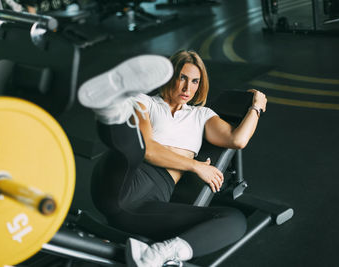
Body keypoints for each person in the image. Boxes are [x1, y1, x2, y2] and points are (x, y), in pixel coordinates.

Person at [78, 51, 267, 267]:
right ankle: (110, 109)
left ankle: (161, 254)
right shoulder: (145, 102)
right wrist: (195, 166)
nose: (188, 88)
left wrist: (256, 107)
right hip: (123, 176)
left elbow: (238, 139)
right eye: (182, 78)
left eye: (195, 81)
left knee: (234, 220)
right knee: (134, 148)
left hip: (145, 206)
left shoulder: (201, 115)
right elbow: (149, 150)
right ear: (169, 78)